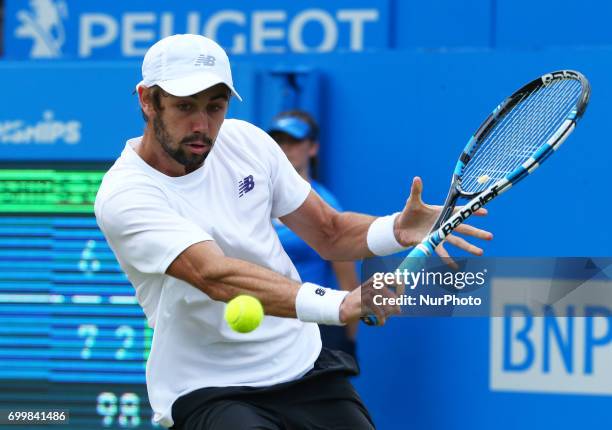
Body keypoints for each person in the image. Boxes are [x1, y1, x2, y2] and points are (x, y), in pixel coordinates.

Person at [95, 34, 492, 429]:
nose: (202, 125)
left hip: (301, 365)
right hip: (207, 388)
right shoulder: (125, 195)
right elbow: (214, 275)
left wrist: (397, 228)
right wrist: (339, 305)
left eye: (215, 107)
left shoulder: (248, 142)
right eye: (185, 107)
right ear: (147, 100)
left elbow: (330, 232)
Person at [268, 111, 359, 359]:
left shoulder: (326, 207)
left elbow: (348, 282)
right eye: (278, 141)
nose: (285, 149)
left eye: (294, 141)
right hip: (263, 321)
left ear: (312, 148)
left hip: (312, 325)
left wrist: (348, 341)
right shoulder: (253, 200)